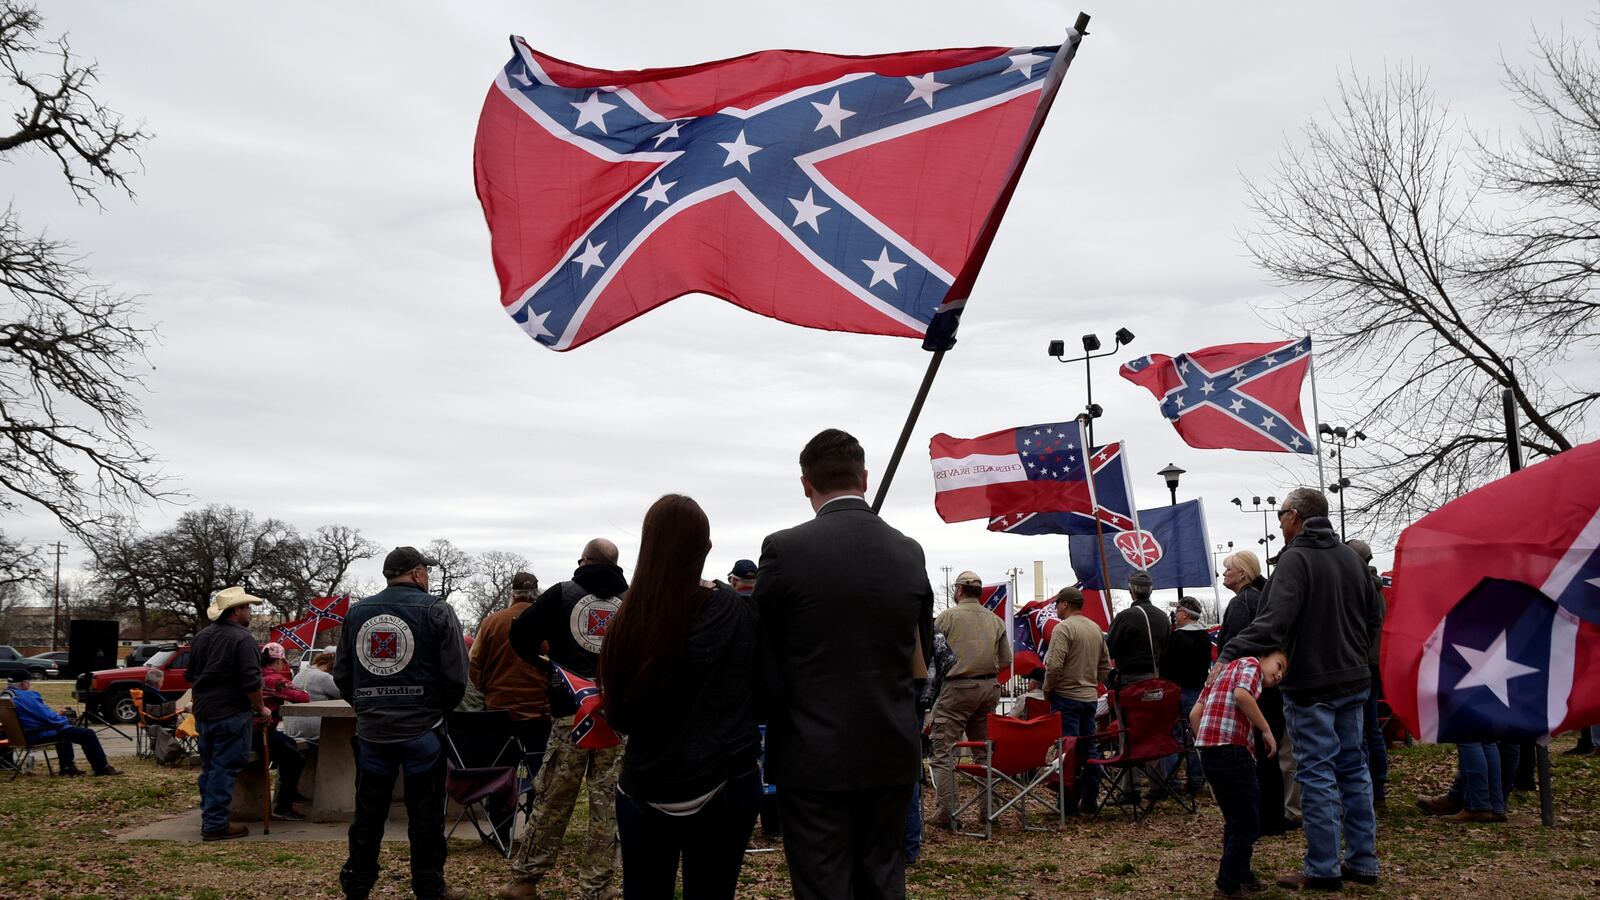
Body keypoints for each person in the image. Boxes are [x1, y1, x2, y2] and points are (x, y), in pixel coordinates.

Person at [753, 428, 934, 900]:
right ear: (866, 478)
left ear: (805, 484)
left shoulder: (784, 549)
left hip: (811, 749)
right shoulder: (908, 550)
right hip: (891, 744)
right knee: (883, 877)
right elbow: (923, 650)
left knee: (821, 883)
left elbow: (762, 645)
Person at [1215, 488, 1384, 891]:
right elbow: (1375, 617)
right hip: (1354, 680)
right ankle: (1363, 862)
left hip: (1312, 685)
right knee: (1353, 769)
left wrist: (1229, 652)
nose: (1278, 526)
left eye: (1280, 518)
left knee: (1317, 772)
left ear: (1293, 517)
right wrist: (1360, 658)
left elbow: (1272, 624)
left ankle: (1323, 869)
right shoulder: (1351, 559)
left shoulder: (1294, 561)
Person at [600, 494, 762, 900]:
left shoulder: (626, 620)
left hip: (645, 789)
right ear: (705, 549)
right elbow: (761, 688)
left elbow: (619, 717)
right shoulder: (736, 612)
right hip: (726, 787)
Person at [334, 546, 469, 900]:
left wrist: (365, 707)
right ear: (417, 572)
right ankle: (428, 887)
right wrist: (438, 714)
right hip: (423, 731)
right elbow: (456, 676)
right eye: (426, 569)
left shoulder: (357, 613)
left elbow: (343, 674)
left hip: (372, 732)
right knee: (426, 816)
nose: (428, 576)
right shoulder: (438, 610)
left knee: (367, 814)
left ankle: (358, 885)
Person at [501, 538, 629, 900]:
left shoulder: (560, 594)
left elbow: (520, 633)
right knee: (607, 805)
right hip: (615, 715)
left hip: (569, 711)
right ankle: (597, 886)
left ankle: (526, 879)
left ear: (584, 561)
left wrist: (546, 665)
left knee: (553, 798)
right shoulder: (631, 598)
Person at [1191, 649, 1290, 899]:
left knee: (1235, 821)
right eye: (1278, 665)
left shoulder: (1220, 672)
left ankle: (1241, 876)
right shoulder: (1251, 665)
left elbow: (1195, 714)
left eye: (1283, 673)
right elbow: (1241, 694)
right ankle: (1226, 885)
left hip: (1211, 751)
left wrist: (1206, 740)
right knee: (1248, 824)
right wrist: (1266, 730)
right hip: (1233, 750)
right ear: (1264, 656)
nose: (1279, 674)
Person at [1216, 550, 1295, 835]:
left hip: (1253, 689)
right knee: (1271, 754)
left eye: (1228, 569)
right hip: (1271, 688)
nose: (1223, 574)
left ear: (1243, 574)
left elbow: (1239, 648)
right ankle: (1274, 816)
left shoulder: (1241, 604)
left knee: (1258, 755)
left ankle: (1261, 818)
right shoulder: (1264, 600)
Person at [927, 570, 1011, 829]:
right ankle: (990, 813)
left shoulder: (946, 617)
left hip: (956, 688)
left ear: (959, 590)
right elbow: (1007, 660)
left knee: (943, 752)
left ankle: (948, 813)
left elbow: (933, 656)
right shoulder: (995, 620)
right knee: (984, 753)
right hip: (988, 688)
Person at [186, 586, 271, 842]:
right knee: (225, 768)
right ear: (236, 610)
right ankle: (214, 824)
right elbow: (250, 681)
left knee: (210, 768)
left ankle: (210, 817)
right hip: (232, 711)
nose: (250, 612)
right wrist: (261, 707)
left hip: (205, 711)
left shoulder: (202, 636)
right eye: (247, 607)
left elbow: (191, 675)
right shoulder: (242, 639)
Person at [472, 572, 553, 783]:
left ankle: (499, 815)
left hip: (500, 711)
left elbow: (474, 662)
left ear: (513, 594)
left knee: (501, 775)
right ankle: (534, 815)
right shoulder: (548, 623)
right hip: (539, 712)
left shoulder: (491, 622)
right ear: (536, 594)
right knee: (540, 776)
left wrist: (485, 689)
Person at [1042, 586, 1110, 813]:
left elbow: (1054, 665)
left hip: (1066, 696)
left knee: (1067, 750)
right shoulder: (1095, 629)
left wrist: (1048, 689)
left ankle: (1067, 802)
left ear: (1064, 604)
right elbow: (1104, 665)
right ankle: (1090, 798)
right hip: (1089, 696)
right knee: (1089, 748)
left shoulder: (1063, 629)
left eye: (1057, 604)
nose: (1056, 608)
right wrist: (1091, 682)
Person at [2, 674, 121, 777]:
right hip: (37, 734)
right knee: (87, 734)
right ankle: (102, 768)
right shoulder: (27, 697)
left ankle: (67, 767)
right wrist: (65, 719)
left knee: (65, 731)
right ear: (24, 683)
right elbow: (48, 717)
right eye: (29, 682)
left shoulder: (5, 696)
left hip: (21, 734)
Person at [1346, 538, 1389, 813]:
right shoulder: (1376, 587)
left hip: (1361, 665)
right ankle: (1377, 789)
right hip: (1372, 664)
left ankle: (1369, 791)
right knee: (1370, 730)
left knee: (1362, 732)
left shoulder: (1361, 588)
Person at [1160, 596, 1212, 795]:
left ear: (1184, 613)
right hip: (1198, 690)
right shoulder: (1205, 638)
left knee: (1173, 736)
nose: (1176, 616)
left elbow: (1165, 665)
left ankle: (1171, 780)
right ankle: (1197, 778)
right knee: (1195, 735)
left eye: (1178, 611)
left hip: (1177, 690)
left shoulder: (1177, 638)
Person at [258, 643, 310, 820]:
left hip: (248, 730)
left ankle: (290, 791)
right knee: (295, 759)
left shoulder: (254, 676)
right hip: (262, 732)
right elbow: (302, 696)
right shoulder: (275, 680)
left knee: (292, 744)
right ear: (279, 661)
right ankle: (284, 804)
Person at [1106, 570, 1167, 682]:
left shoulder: (1125, 617)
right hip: (1158, 680)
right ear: (1151, 590)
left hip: (1131, 683)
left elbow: (1108, 650)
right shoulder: (1163, 617)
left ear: (1130, 591)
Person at [284, 651, 340, 743]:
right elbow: (343, 694)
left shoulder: (300, 674)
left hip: (292, 728)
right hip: (312, 731)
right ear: (331, 667)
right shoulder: (324, 677)